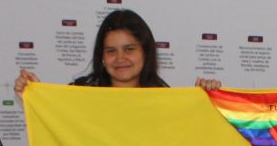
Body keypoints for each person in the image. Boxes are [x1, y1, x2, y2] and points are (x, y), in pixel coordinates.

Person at [14, 9, 170, 92]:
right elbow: (56, 125)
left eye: (129, 49)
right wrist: (34, 96)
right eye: (111, 51)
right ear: (101, 56)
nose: (120, 58)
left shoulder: (164, 98)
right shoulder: (79, 93)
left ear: (145, 52)